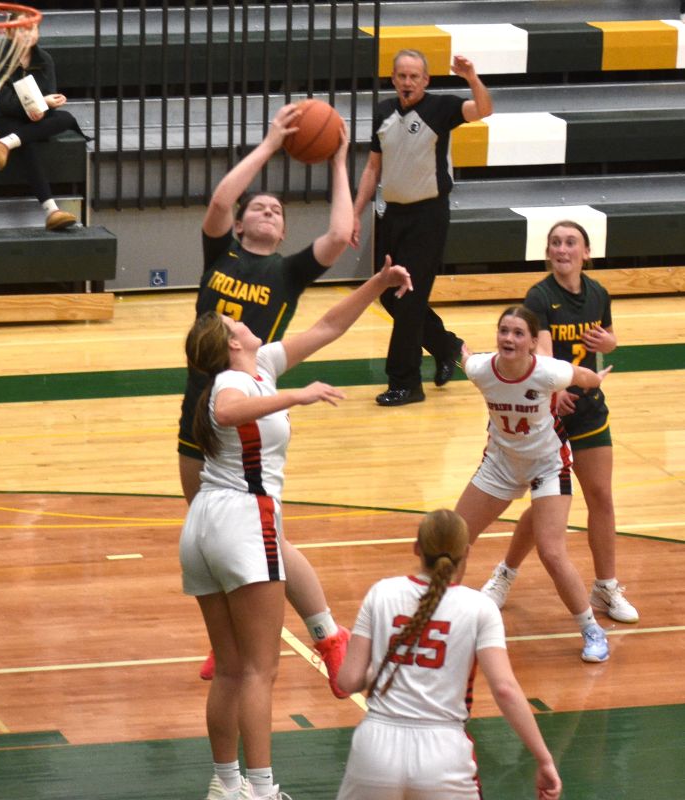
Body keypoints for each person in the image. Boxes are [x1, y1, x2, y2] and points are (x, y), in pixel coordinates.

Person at [181, 259, 413, 800]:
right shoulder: (232, 380)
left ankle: (225, 784)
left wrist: (376, 285)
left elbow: (328, 326)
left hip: (204, 524)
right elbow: (230, 409)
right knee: (260, 670)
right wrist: (297, 395)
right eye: (233, 322)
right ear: (231, 342)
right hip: (243, 518)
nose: (243, 321)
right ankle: (261, 791)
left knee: (232, 670)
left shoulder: (259, 361)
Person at [179, 104, 355, 695]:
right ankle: (227, 635)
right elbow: (219, 203)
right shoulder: (219, 254)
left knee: (269, 537)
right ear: (244, 223)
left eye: (277, 210)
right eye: (261, 205)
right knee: (210, 526)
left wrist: (337, 157)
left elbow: (339, 234)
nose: (268, 209)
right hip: (197, 410)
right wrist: (270, 144)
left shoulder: (287, 272)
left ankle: (329, 635)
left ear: (281, 233)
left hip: (248, 410)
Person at [335, 509, 562, 800]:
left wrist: (371, 662)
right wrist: (543, 759)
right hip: (443, 753)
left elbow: (348, 681)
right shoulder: (479, 607)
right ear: (465, 552)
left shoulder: (381, 593)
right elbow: (505, 689)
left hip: (375, 749)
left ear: (417, 548)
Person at [481, 221, 639, 625]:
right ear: (548, 252)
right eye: (555, 243)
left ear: (586, 252)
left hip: (590, 409)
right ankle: (505, 572)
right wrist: (556, 391)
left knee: (601, 496)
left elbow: (606, 342)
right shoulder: (540, 296)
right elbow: (544, 355)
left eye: (571, 243)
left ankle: (606, 586)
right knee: (543, 509)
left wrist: (612, 343)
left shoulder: (598, 293)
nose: (562, 249)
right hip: (550, 417)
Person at [454, 305, 613, 663]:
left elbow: (584, 376)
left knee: (552, 552)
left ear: (531, 343)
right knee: (455, 539)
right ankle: (446, 620)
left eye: (517, 333)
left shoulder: (548, 372)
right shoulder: (481, 368)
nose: (508, 338)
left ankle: (591, 628)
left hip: (547, 464)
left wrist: (598, 379)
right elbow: (464, 358)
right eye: (504, 331)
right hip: (500, 464)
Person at [352, 49, 493, 406]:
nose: (407, 82)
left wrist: (471, 78)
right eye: (402, 76)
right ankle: (448, 348)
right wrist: (354, 213)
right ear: (393, 79)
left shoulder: (441, 108)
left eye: (414, 76)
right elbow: (372, 169)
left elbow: (484, 110)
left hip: (428, 217)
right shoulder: (383, 112)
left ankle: (405, 383)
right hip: (393, 216)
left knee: (409, 298)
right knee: (387, 293)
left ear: (425, 81)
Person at [0, 16, 87, 231]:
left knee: (67, 118)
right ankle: (52, 210)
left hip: (36, 118)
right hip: (4, 118)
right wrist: (39, 104)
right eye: (21, 29)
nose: (28, 34)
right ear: (10, 32)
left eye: (32, 29)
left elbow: (49, 94)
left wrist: (46, 105)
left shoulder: (45, 59)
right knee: (26, 142)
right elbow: (2, 103)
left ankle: (4, 144)